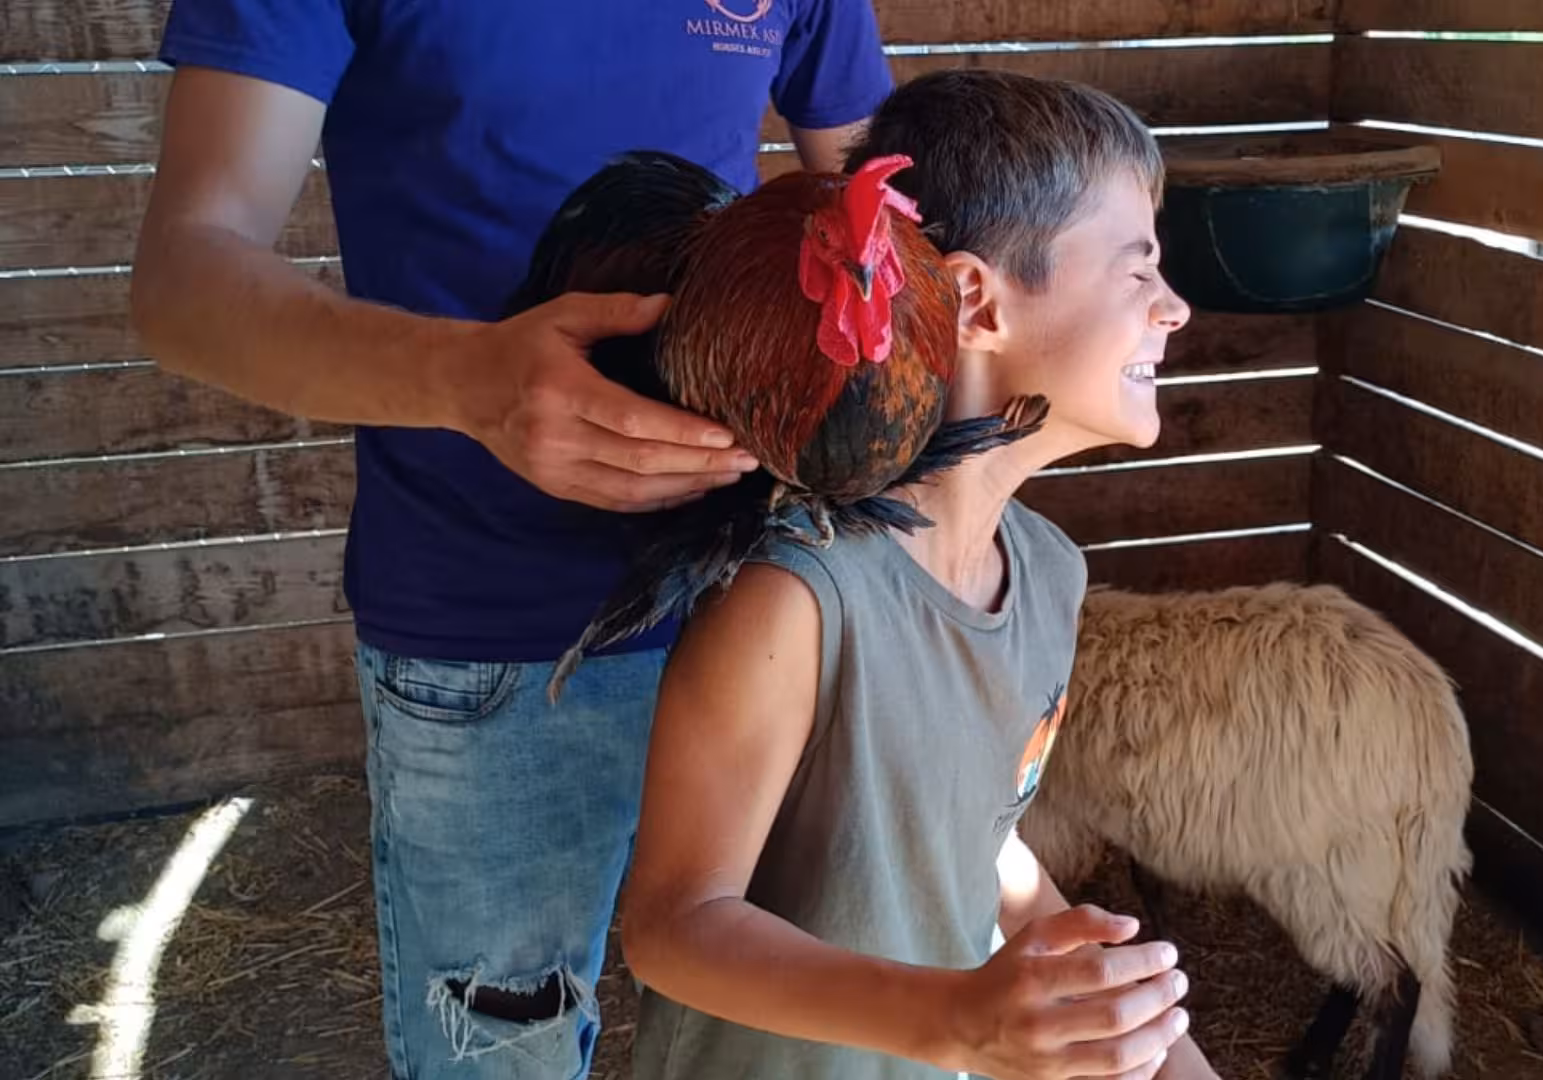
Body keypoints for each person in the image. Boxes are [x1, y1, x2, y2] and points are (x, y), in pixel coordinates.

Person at [128, 2, 893, 1076]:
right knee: (503, 1055)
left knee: (802, 1047)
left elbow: (889, 213)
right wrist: (471, 382)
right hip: (491, 630)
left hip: (763, 598)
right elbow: (184, 280)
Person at [617, 69, 1218, 1080]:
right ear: (978, 302)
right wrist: (956, 1023)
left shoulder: (1046, 574)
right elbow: (674, 923)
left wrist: (1143, 1037)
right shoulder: (799, 597)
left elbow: (968, 838)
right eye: (1137, 269)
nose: (1176, 308)